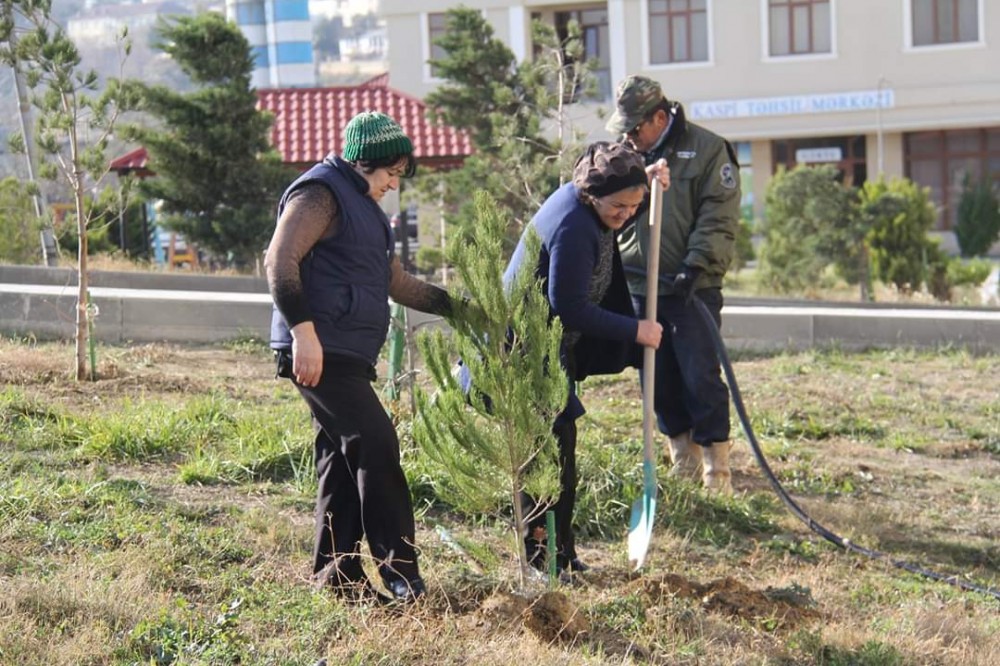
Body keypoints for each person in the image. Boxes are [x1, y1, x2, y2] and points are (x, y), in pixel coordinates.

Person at [265, 111, 467, 603]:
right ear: (363, 163)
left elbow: (396, 283)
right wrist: (303, 334)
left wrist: (459, 309)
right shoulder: (321, 194)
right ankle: (402, 575)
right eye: (391, 174)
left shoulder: (368, 215)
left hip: (346, 352)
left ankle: (337, 578)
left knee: (339, 460)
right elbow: (279, 259)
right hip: (320, 350)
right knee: (376, 444)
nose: (394, 185)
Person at [502, 141, 668, 573]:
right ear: (592, 195)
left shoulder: (591, 193)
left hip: (549, 346)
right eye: (621, 206)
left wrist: (647, 180)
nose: (627, 214)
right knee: (547, 457)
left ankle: (561, 555)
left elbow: (618, 180)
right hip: (523, 350)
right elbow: (568, 305)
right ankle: (544, 563)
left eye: (636, 205)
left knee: (562, 450)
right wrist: (637, 331)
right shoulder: (574, 227)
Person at [607, 75, 741, 494]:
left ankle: (717, 471)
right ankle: (682, 462)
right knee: (657, 377)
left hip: (690, 287)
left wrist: (695, 266)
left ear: (659, 117)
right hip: (640, 285)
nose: (628, 137)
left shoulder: (706, 150)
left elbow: (718, 216)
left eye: (634, 128)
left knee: (699, 374)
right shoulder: (627, 155)